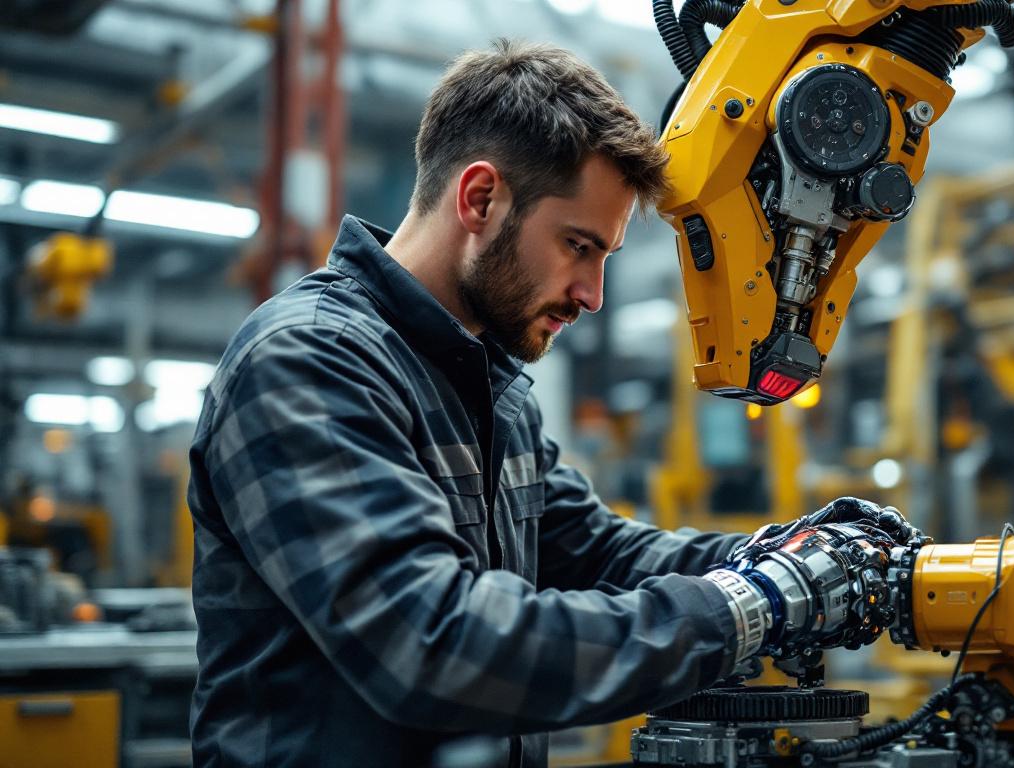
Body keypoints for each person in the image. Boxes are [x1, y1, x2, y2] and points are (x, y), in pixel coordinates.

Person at [187, 40, 914, 767]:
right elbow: (435, 643)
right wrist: (757, 602)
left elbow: (598, 552)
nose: (593, 295)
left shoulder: (487, 381)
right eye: (578, 246)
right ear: (480, 198)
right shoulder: (310, 361)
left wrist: (789, 556)